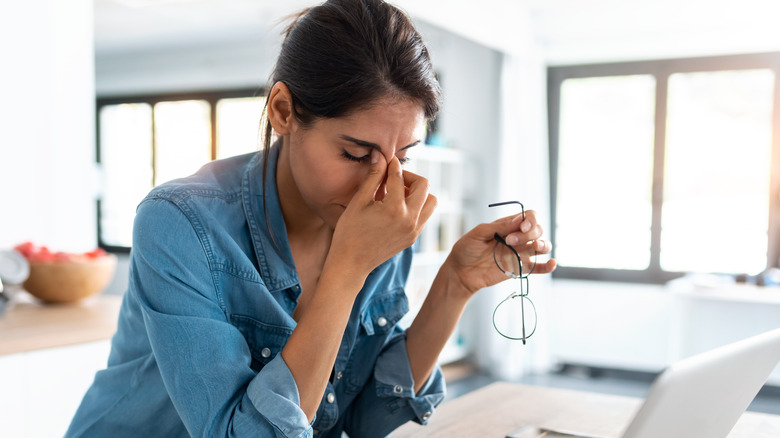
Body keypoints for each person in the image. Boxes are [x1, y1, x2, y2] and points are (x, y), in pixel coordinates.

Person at [65, 0, 556, 437]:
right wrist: (347, 270)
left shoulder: (382, 218)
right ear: (282, 111)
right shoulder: (180, 223)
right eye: (354, 152)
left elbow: (359, 419)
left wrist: (455, 283)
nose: (381, 185)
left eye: (403, 156)